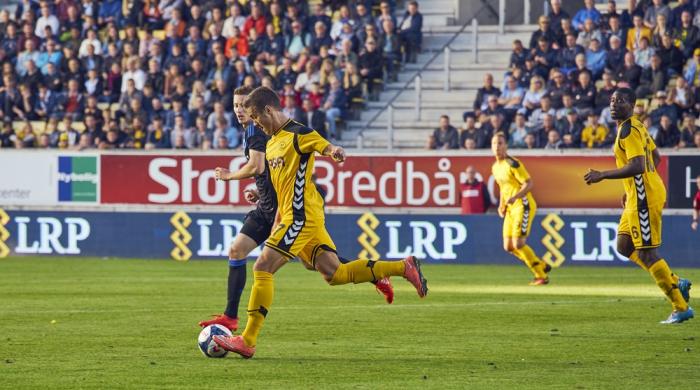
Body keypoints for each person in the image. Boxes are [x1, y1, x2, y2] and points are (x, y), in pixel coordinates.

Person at [213, 87, 428, 358]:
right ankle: (402, 266)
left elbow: (322, 145)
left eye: (257, 117)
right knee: (334, 273)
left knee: (263, 266)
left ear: (268, 110)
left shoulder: (299, 133)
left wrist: (334, 151)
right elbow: (282, 179)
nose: (256, 123)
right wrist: (260, 192)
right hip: (297, 214)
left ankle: (248, 339)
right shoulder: (272, 141)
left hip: (301, 216)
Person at [584, 88, 693, 324]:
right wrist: (632, 189)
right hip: (638, 195)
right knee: (624, 246)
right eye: (612, 100)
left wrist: (603, 175)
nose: (614, 104)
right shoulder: (636, 125)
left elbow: (638, 165)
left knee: (646, 252)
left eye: (620, 101)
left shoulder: (628, 130)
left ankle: (680, 306)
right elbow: (656, 157)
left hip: (644, 197)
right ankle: (675, 281)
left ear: (632, 104)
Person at [491, 132, 551, 285]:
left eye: (500, 143)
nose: (497, 147)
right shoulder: (496, 167)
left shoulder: (513, 163)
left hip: (523, 205)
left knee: (518, 244)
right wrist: (501, 204)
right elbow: (503, 187)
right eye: (494, 143)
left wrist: (516, 197)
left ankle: (541, 275)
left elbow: (528, 183)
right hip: (510, 208)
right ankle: (541, 264)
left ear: (506, 146)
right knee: (508, 246)